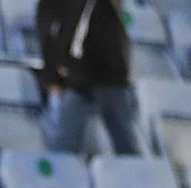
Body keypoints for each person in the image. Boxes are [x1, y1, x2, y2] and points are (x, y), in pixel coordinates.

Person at [37, 0, 142, 156]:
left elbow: (117, 33)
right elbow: (46, 29)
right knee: (63, 148)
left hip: (111, 76)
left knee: (126, 146)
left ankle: (135, 180)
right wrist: (52, 74)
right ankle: (63, 179)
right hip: (75, 77)